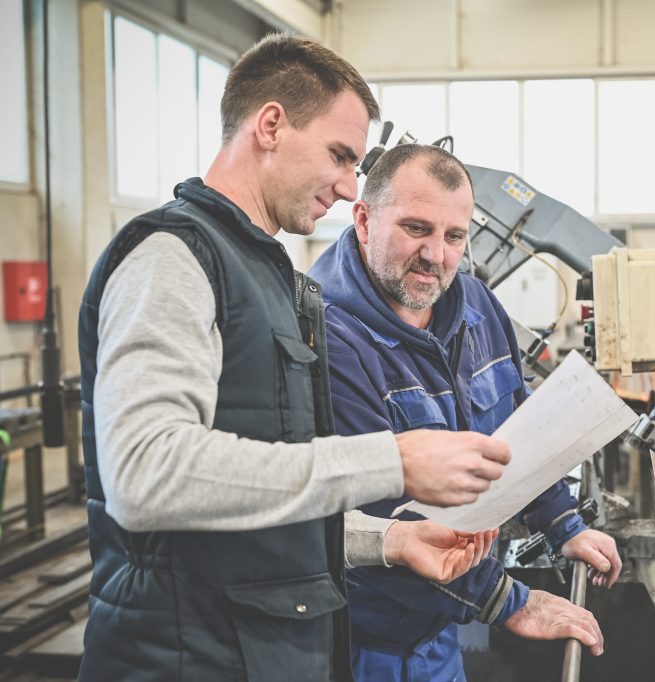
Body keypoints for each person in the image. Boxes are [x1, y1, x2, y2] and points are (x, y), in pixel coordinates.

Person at [77, 35, 509, 682]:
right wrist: (393, 461)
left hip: (258, 651)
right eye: (339, 156)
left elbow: (254, 505)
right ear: (271, 125)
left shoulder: (268, 277)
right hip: (184, 658)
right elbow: (146, 474)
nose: (347, 185)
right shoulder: (173, 260)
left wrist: (386, 540)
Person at [309, 144, 623, 681]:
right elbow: (380, 518)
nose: (436, 255)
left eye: (454, 236)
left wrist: (562, 523)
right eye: (416, 228)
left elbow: (519, 428)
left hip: (437, 636)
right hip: (363, 644)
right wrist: (510, 602)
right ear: (363, 219)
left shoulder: (476, 305)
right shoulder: (330, 338)